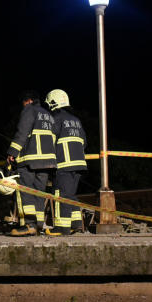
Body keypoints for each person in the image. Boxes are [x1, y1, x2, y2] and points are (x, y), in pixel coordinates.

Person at [7, 90, 57, 237]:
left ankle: (29, 225)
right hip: (47, 162)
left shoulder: (29, 110)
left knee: (27, 192)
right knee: (39, 193)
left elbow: (22, 132)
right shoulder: (49, 115)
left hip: (31, 160)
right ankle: (39, 225)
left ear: (27, 101)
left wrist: (12, 152)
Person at [46, 89, 88, 235]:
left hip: (64, 164)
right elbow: (84, 142)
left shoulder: (55, 118)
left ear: (52, 103)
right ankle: (76, 224)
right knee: (70, 194)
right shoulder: (76, 120)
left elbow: (49, 141)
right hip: (79, 164)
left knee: (61, 194)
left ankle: (61, 228)